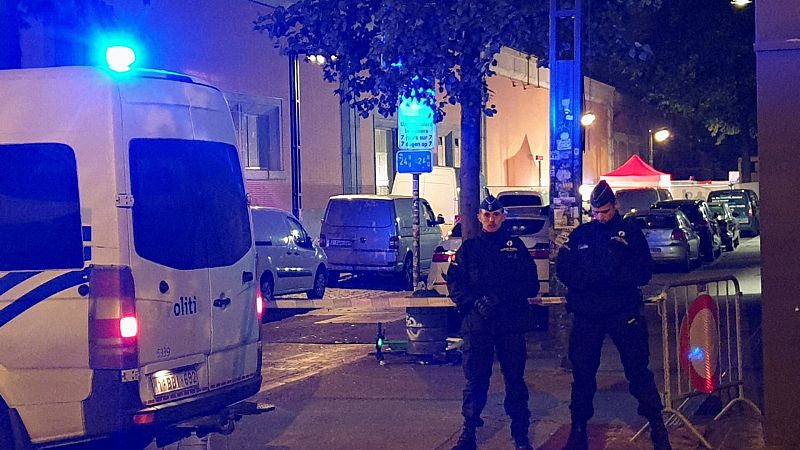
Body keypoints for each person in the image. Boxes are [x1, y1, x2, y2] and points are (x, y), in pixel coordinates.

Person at [555, 180, 672, 450]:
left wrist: (610, 280)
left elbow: (643, 271)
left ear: (615, 206)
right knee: (583, 375)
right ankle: (578, 431)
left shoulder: (630, 233)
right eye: (595, 212)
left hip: (622, 312)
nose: (600, 217)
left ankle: (657, 428)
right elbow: (564, 267)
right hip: (588, 315)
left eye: (605, 211)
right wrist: (584, 281)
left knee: (638, 371)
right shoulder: (582, 234)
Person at [446, 195, 540, 450]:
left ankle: (520, 434)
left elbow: (531, 284)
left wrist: (502, 297)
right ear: (479, 217)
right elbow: (455, 284)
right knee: (475, 381)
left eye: (496, 215)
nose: (491, 220)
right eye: (486, 215)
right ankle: (469, 433)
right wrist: (475, 302)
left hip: (510, 323)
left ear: (503, 217)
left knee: (515, 381)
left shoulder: (515, 247)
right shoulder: (469, 249)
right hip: (478, 325)